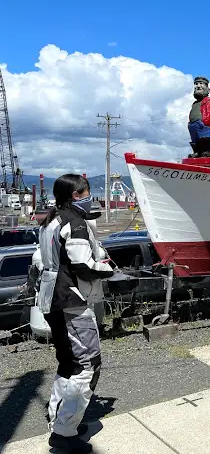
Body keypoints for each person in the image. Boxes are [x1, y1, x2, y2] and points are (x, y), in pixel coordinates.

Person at [37, 174, 114, 453]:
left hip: (51, 301)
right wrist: (108, 269)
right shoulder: (76, 222)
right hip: (72, 303)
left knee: (68, 363)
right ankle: (64, 432)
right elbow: (83, 265)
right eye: (87, 192)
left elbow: (41, 262)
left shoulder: (50, 220)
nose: (89, 197)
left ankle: (58, 417)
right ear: (77, 195)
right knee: (87, 365)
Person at [188, 76, 210, 158]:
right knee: (195, 140)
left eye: (201, 83)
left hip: (203, 125)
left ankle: (206, 152)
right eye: (196, 84)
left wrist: (204, 122)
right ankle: (197, 152)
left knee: (205, 140)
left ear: (207, 88)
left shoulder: (209, 102)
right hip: (193, 125)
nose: (198, 86)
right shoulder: (195, 103)